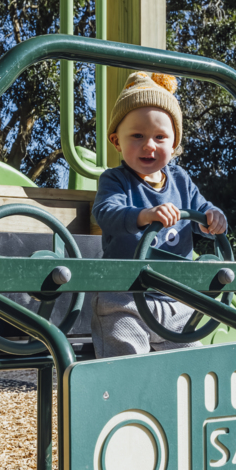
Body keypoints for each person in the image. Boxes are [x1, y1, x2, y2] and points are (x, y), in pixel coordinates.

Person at [90, 71, 227, 358]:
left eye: (160, 137)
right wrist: (143, 215)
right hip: (124, 295)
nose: (149, 145)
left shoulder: (180, 180)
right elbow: (105, 213)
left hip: (176, 296)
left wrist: (213, 218)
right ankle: (125, 400)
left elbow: (202, 210)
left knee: (189, 360)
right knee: (125, 359)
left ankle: (179, 401)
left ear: (174, 142)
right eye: (137, 136)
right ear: (116, 141)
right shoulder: (115, 180)